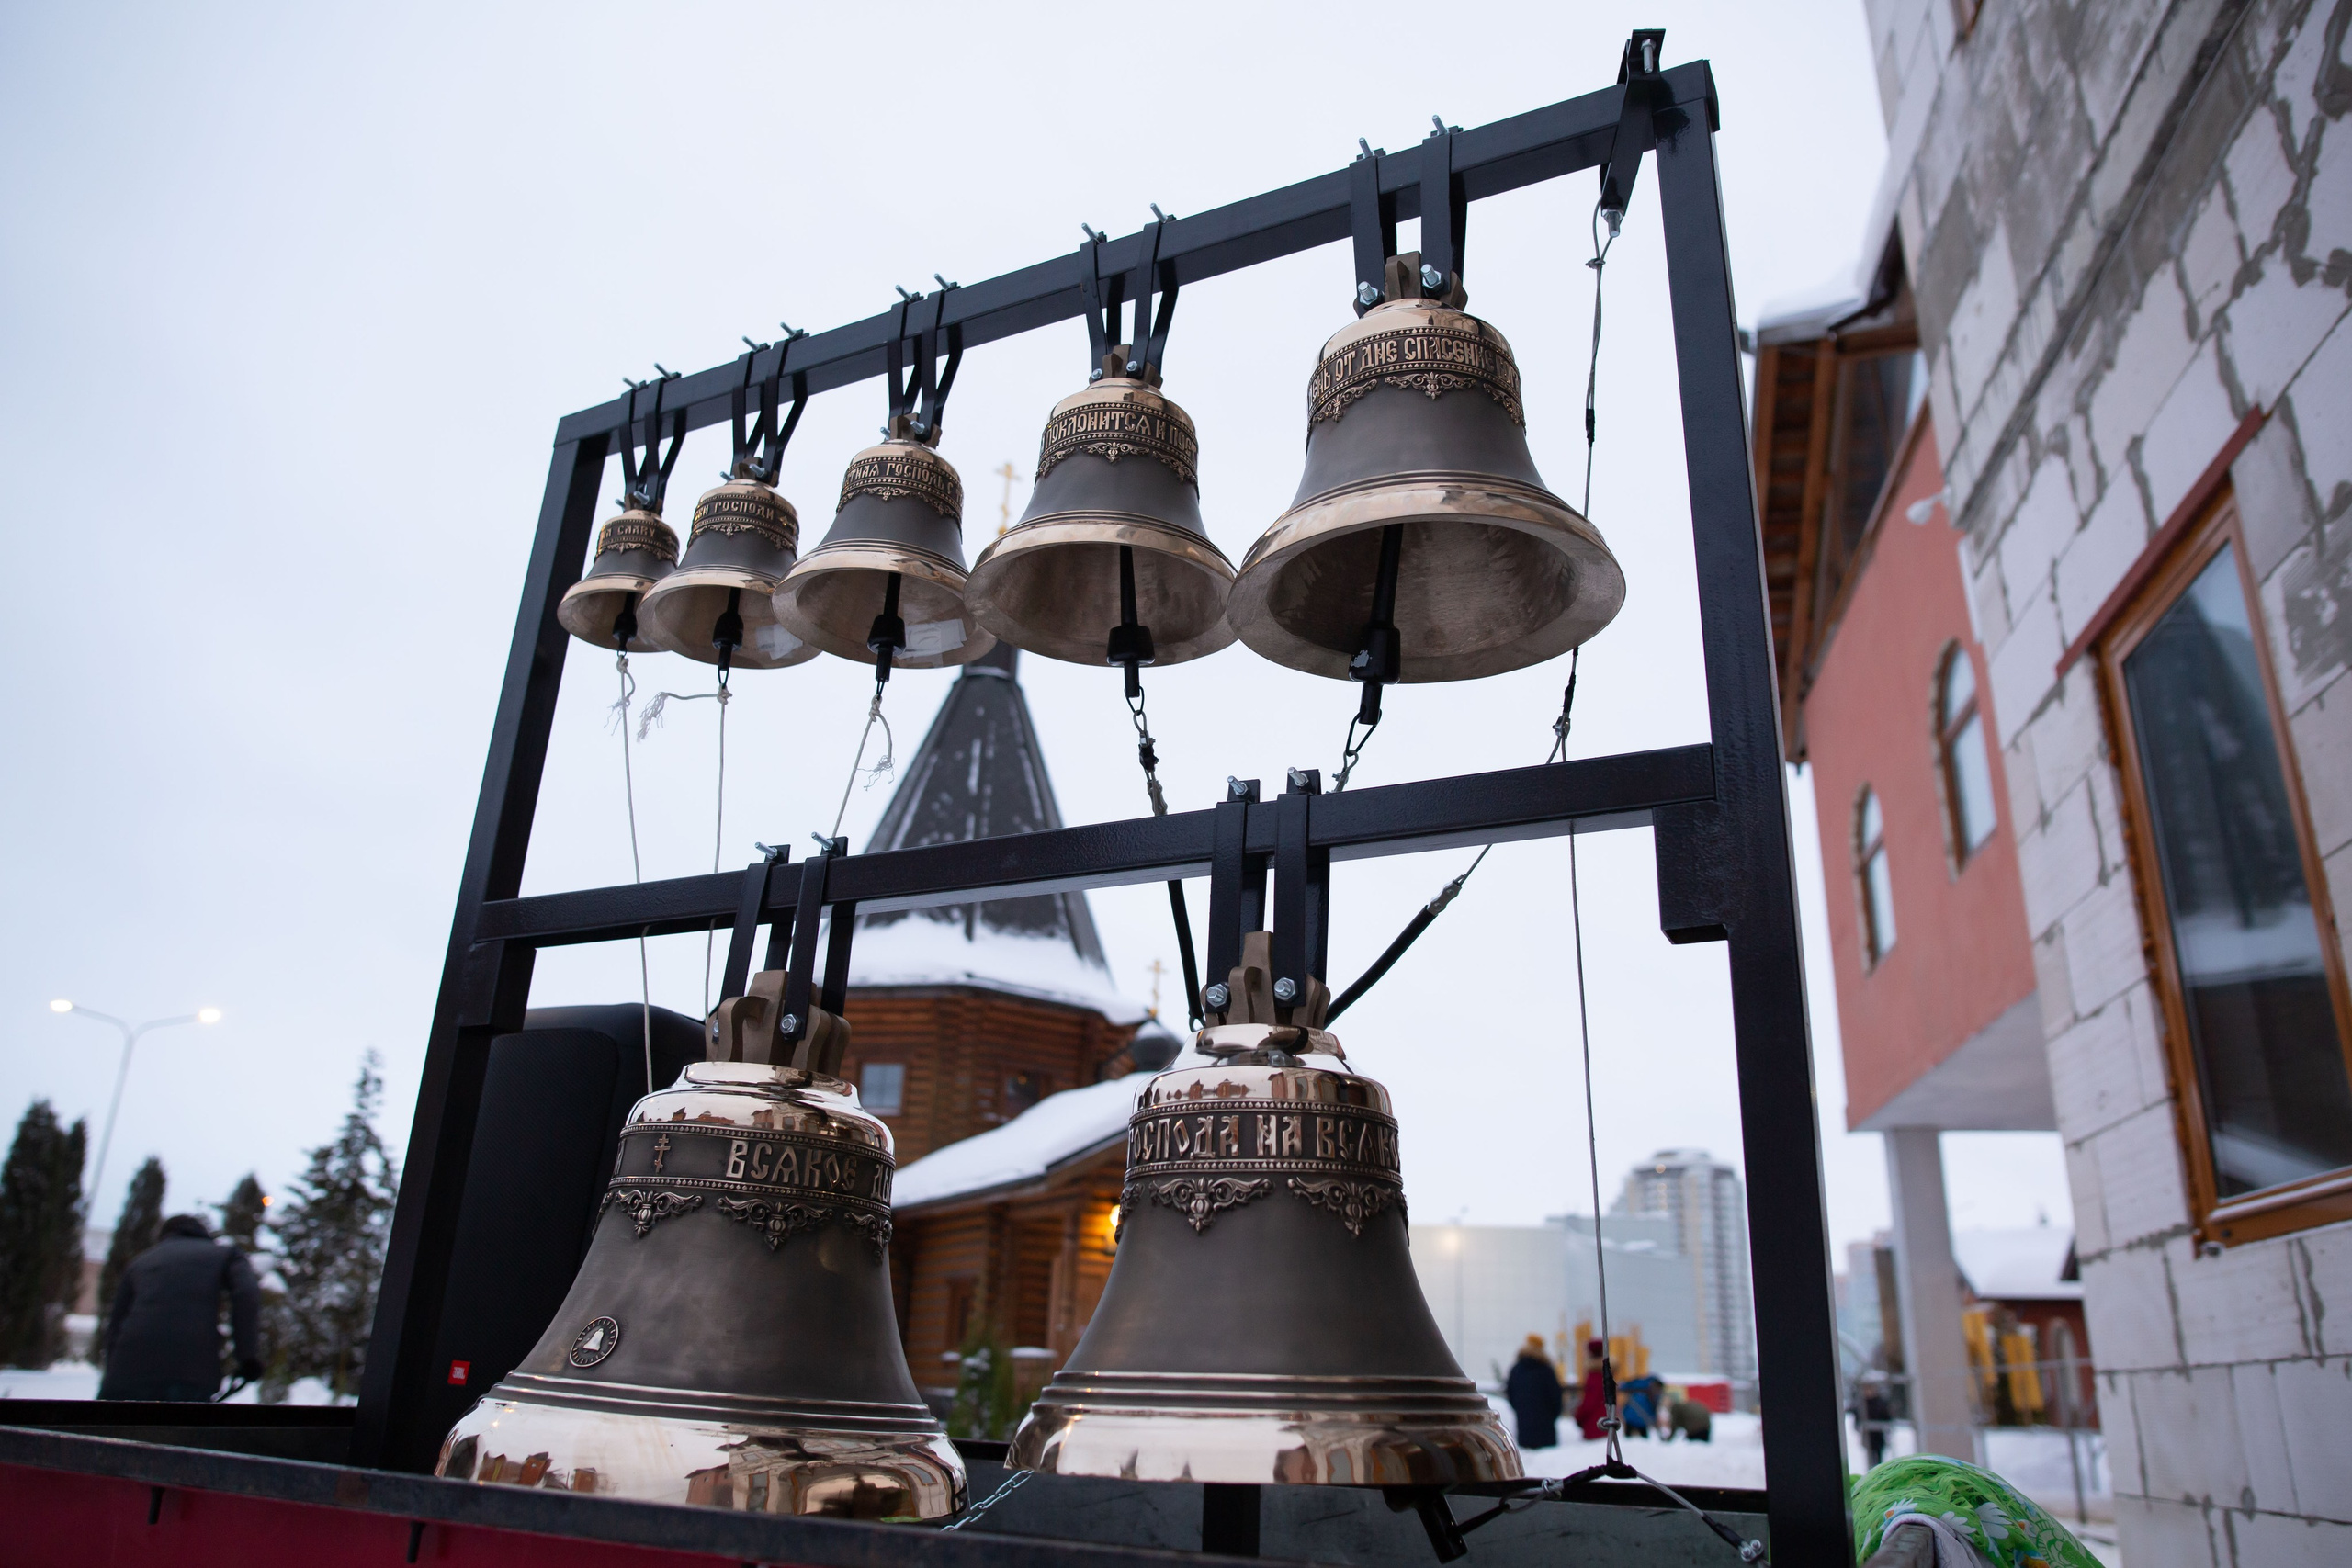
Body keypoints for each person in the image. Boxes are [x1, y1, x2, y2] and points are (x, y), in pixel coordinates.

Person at [97, 1213, 263, 1402]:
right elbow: (246, 1294)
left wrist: (113, 1369)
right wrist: (247, 1357)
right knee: (181, 1430)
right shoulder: (226, 1254)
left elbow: (115, 1322)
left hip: (125, 1374)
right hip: (189, 1373)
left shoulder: (140, 1262)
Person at [1502, 1335, 1564, 1449]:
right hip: (1546, 1431)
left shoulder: (1516, 1369)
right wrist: (1552, 1416)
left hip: (1524, 1429)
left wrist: (1522, 1411)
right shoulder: (1547, 1370)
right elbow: (1556, 1398)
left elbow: (1511, 1396)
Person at [1571, 1337, 1610, 1440]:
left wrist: (1579, 1416)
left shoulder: (1594, 1376)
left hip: (1595, 1426)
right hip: (1605, 1425)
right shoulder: (1607, 1374)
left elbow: (1589, 1402)